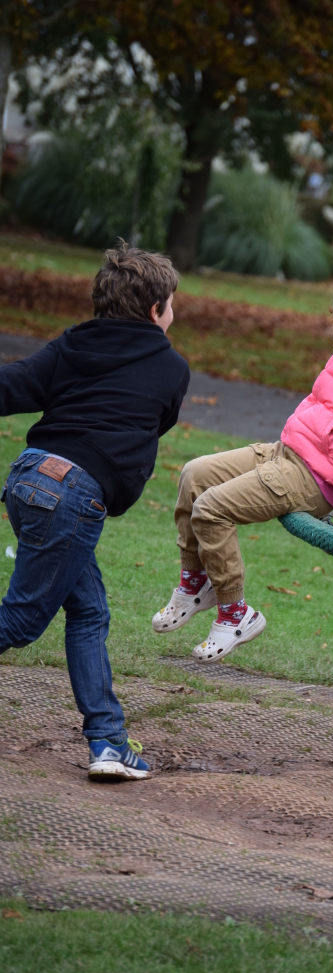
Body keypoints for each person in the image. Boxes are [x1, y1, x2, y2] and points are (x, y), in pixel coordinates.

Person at [153, 257, 333, 664]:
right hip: (284, 452)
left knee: (211, 510)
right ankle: (195, 583)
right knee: (193, 476)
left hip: (316, 477)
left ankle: (235, 613)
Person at [0, 245, 189, 776]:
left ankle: (107, 742)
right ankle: (106, 742)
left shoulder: (71, 345)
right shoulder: (170, 368)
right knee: (20, 620)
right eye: (172, 304)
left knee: (88, 611)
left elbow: (12, 386)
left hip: (28, 478)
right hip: (75, 498)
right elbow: (151, 426)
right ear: (156, 311)